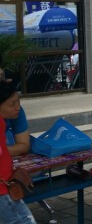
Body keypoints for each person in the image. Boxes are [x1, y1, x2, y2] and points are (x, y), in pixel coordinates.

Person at [0, 82, 36, 224]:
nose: (17, 107)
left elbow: (23, 146)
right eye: (11, 104)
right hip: (2, 190)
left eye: (18, 102)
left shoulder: (3, 123)